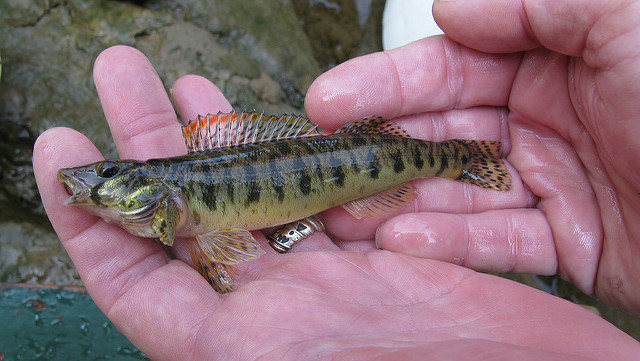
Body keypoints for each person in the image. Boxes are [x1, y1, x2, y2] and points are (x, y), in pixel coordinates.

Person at [33, 0, 640, 359]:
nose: (95, 182)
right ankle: (462, 156)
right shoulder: (169, 206)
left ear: (145, 188)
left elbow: (218, 243)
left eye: (111, 176)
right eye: (104, 177)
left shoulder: (176, 204)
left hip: (355, 165)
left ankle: (461, 156)